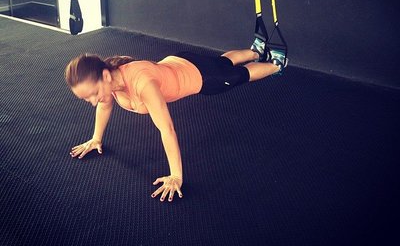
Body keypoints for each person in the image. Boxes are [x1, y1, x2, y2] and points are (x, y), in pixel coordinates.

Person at [64, 47, 287, 202]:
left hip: (202, 78)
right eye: (87, 98)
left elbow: (167, 129)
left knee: (238, 75)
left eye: (93, 94)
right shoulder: (111, 81)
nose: (93, 101)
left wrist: (176, 176)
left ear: (105, 75)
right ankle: (256, 51)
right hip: (179, 62)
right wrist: (96, 139)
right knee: (221, 63)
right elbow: (104, 106)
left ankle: (277, 64)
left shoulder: (142, 83)